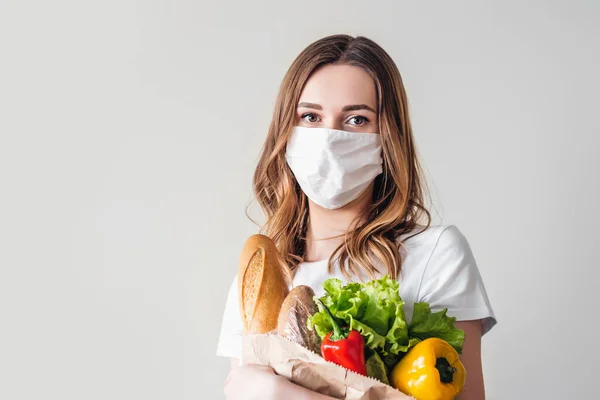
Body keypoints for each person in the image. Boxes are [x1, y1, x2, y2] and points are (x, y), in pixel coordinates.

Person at [217, 34, 496, 400]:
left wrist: (283, 393)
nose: (329, 137)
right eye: (311, 116)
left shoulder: (436, 254)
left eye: (356, 119)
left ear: (387, 137)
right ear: (286, 133)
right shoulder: (261, 277)